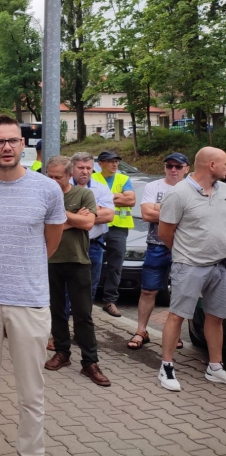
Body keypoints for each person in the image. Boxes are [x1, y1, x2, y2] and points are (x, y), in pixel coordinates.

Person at [0, 114, 65, 456]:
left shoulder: (47, 189)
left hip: (29, 301)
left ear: (23, 145)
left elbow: (50, 243)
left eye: (13, 140)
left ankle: (30, 452)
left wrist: (23, 268)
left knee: (31, 393)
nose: (7, 147)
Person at [157, 147, 226, 392]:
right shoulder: (179, 194)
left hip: (220, 265)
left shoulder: (223, 191)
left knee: (216, 317)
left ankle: (215, 367)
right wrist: (187, 252)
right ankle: (166, 366)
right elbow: (165, 233)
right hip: (189, 265)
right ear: (211, 165)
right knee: (177, 314)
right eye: (224, 163)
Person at [44, 156, 111, 386]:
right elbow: (41, 224)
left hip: (79, 261)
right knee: (57, 311)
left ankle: (90, 362)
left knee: (83, 314)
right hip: (50, 261)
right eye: (49, 177)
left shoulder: (84, 194)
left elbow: (88, 224)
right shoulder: (43, 194)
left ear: (69, 175)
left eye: (58, 177)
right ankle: (62, 353)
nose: (53, 181)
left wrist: (61, 219)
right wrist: (74, 218)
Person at [127, 153, 190, 350]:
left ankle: (174, 335)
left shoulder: (192, 189)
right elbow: (146, 214)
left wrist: (159, 208)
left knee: (180, 293)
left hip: (184, 247)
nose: (173, 170)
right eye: (169, 166)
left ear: (186, 169)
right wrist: (178, 212)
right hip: (156, 245)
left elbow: (194, 217)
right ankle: (141, 331)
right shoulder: (153, 187)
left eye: (178, 167)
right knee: (148, 290)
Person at [92, 150, 135, 317]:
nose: (114, 164)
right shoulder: (93, 178)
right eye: (110, 161)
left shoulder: (123, 178)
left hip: (118, 227)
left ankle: (110, 300)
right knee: (91, 264)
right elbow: (90, 199)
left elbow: (131, 200)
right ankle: (88, 300)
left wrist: (105, 198)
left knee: (115, 266)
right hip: (97, 225)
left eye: (116, 161)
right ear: (100, 164)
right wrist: (118, 196)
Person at [70, 152, 115, 301]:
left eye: (88, 168)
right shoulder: (64, 186)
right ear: (72, 168)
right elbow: (58, 215)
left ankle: (85, 317)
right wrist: (95, 210)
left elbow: (109, 216)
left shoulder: (101, 188)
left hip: (94, 245)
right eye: (80, 167)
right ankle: (65, 318)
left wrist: (75, 215)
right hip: (70, 243)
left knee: (90, 285)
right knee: (67, 285)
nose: (85, 171)